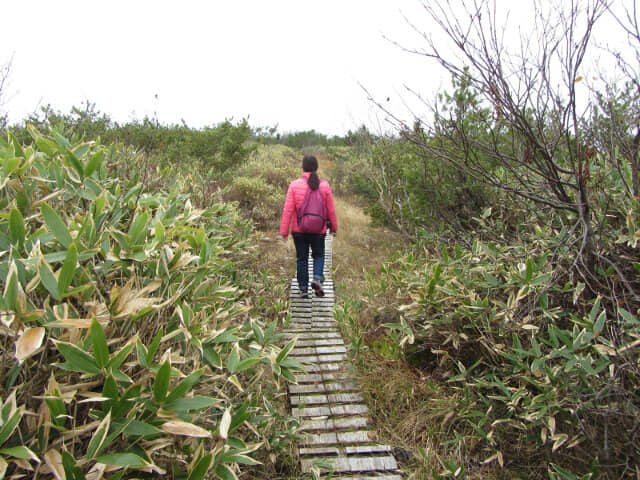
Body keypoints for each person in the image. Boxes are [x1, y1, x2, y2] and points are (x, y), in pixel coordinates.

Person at [280, 155, 338, 298]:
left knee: (302, 258)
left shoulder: (294, 185)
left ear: (302, 168)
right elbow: (330, 210)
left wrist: (284, 232)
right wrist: (334, 227)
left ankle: (303, 288)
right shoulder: (324, 186)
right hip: (319, 230)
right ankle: (318, 278)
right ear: (317, 168)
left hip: (299, 230)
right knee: (319, 255)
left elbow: (287, 210)